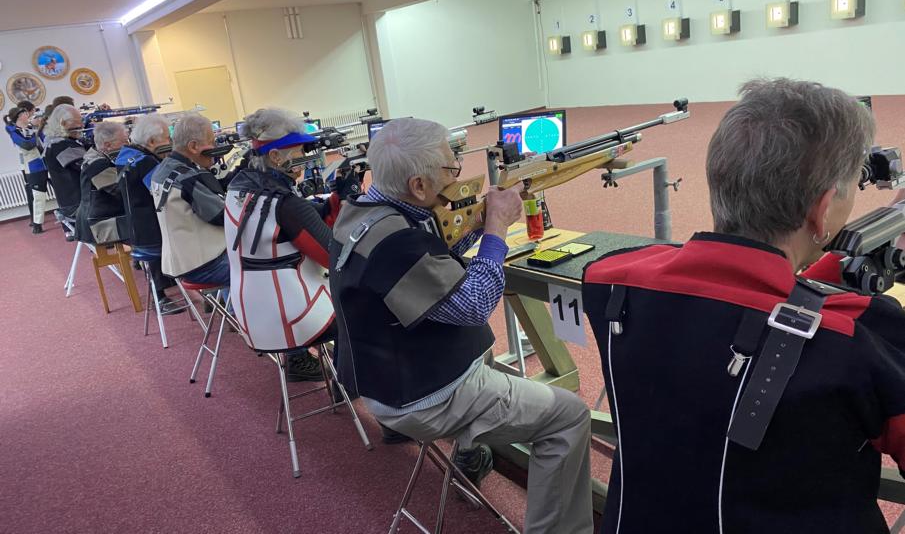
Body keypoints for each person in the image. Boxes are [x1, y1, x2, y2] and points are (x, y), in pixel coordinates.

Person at [582, 78, 905, 534]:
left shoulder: (613, 281)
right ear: (823, 209)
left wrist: (836, 260)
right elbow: (786, 311)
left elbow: (747, 293)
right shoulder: (863, 336)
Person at [329, 118, 593, 533]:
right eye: (450, 169)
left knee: (488, 355)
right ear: (419, 185)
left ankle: (472, 446)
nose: (457, 175)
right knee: (570, 416)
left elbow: (433, 253)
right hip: (426, 397)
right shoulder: (399, 244)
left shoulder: (364, 213)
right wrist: (496, 229)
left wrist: (476, 224)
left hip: (382, 379)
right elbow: (475, 306)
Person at [224, 108, 349, 381]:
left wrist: (334, 202)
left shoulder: (239, 186)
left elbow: (295, 223)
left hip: (250, 311)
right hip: (290, 319)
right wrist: (348, 204)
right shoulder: (284, 203)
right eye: (299, 151)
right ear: (276, 156)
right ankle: (350, 384)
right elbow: (335, 257)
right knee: (363, 305)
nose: (305, 157)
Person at [149, 113, 230, 286]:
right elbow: (222, 216)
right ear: (193, 146)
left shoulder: (164, 169)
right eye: (211, 142)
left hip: (182, 263)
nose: (215, 147)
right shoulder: (186, 177)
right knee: (266, 265)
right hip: (206, 265)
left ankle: (232, 301)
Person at [115, 114, 181, 310]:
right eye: (167, 138)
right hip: (152, 232)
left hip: (135, 228)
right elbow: (163, 193)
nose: (170, 143)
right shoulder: (145, 162)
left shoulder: (124, 156)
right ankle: (167, 297)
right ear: (151, 142)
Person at [75, 121, 129, 245]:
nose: (128, 145)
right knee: (149, 225)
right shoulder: (96, 164)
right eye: (124, 141)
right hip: (99, 225)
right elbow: (121, 190)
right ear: (108, 145)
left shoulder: (99, 158)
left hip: (106, 218)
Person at [4, 103, 48, 234]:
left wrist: (40, 127)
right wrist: (35, 129)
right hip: (33, 167)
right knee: (38, 196)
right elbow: (27, 145)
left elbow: (45, 140)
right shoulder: (15, 131)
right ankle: (37, 224)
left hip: (46, 162)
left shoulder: (31, 128)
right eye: (24, 113)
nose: (27, 114)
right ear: (18, 117)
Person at [43, 104, 86, 221]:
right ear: (63, 123)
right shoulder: (61, 145)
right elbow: (87, 167)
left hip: (76, 202)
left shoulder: (58, 143)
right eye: (78, 122)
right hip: (78, 204)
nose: (82, 125)